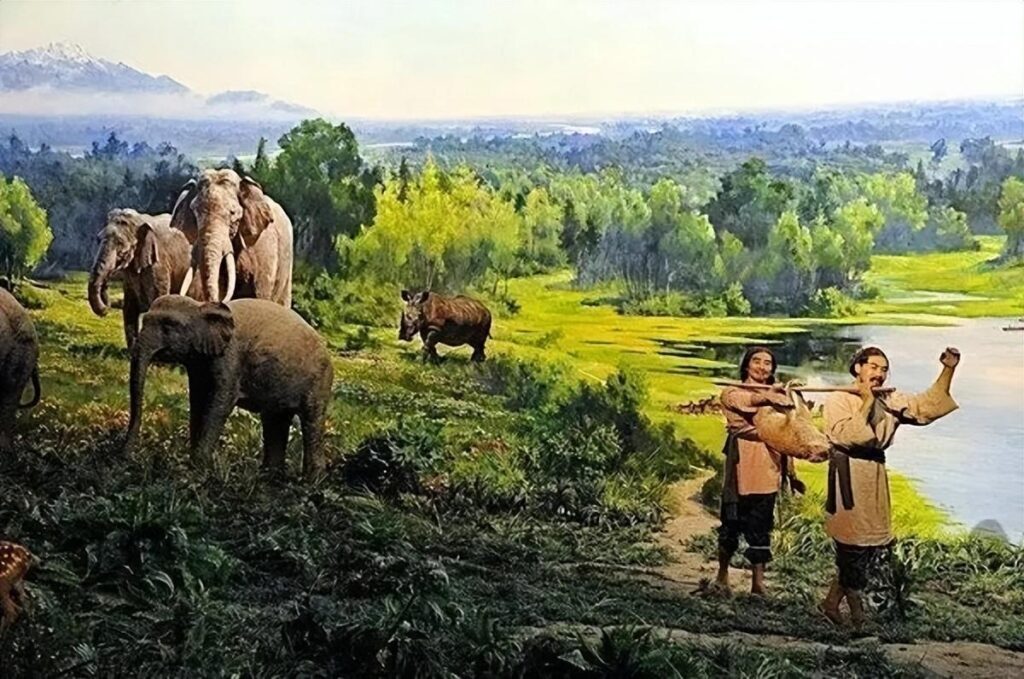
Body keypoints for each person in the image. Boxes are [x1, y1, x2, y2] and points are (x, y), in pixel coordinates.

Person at [820, 345, 960, 627]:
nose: (880, 373)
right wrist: (866, 402)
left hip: (873, 477)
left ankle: (830, 603)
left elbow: (927, 405)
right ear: (858, 367)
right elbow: (850, 437)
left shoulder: (890, 398)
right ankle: (858, 615)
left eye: (884, 369)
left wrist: (948, 368)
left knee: (869, 544)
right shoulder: (838, 399)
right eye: (873, 366)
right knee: (851, 544)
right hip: (849, 475)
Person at [717, 346, 805, 595]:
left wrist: (792, 474)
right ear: (746, 365)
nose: (762, 367)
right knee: (730, 526)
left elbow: (787, 436)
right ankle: (722, 576)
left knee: (761, 529)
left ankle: (758, 584)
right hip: (741, 467)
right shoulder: (732, 392)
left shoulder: (780, 398)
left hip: (769, 469)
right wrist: (768, 398)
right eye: (757, 361)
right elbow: (745, 402)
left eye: (768, 363)